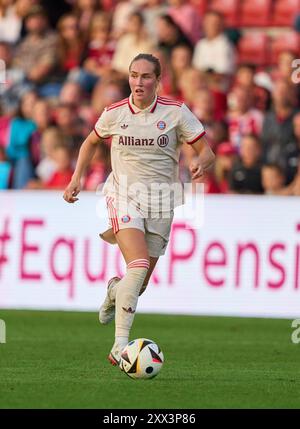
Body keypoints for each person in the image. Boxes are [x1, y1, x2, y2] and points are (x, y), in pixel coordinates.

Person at [63, 53, 215, 366]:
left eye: (146, 76)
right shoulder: (115, 113)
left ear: (158, 81)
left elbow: (206, 150)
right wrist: (77, 176)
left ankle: (114, 291)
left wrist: (202, 162)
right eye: (134, 75)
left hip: (162, 201)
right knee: (139, 262)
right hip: (123, 196)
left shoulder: (176, 113)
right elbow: (91, 142)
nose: (139, 82)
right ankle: (120, 346)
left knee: (139, 282)